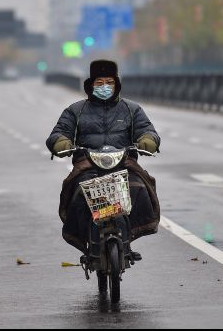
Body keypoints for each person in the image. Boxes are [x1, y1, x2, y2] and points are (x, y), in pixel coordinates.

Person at [46, 60, 160, 262]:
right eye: (100, 82)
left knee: (141, 188)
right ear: (91, 85)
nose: (105, 87)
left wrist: (148, 140)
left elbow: (147, 130)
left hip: (124, 164)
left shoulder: (131, 110)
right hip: (87, 166)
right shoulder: (76, 111)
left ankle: (128, 238)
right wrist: (61, 143)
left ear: (117, 84)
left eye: (109, 82)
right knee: (77, 195)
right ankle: (86, 241)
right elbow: (59, 133)